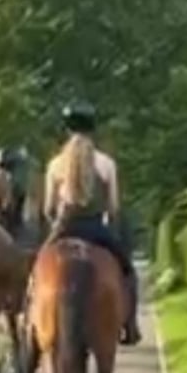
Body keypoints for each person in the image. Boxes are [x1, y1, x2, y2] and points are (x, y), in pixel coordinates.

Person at [43, 100, 141, 345]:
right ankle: (130, 325)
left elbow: (48, 209)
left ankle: (29, 343)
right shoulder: (106, 164)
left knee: (36, 275)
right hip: (96, 228)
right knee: (127, 270)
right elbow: (113, 208)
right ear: (92, 127)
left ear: (67, 128)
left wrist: (57, 224)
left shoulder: (55, 164)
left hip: (64, 228)